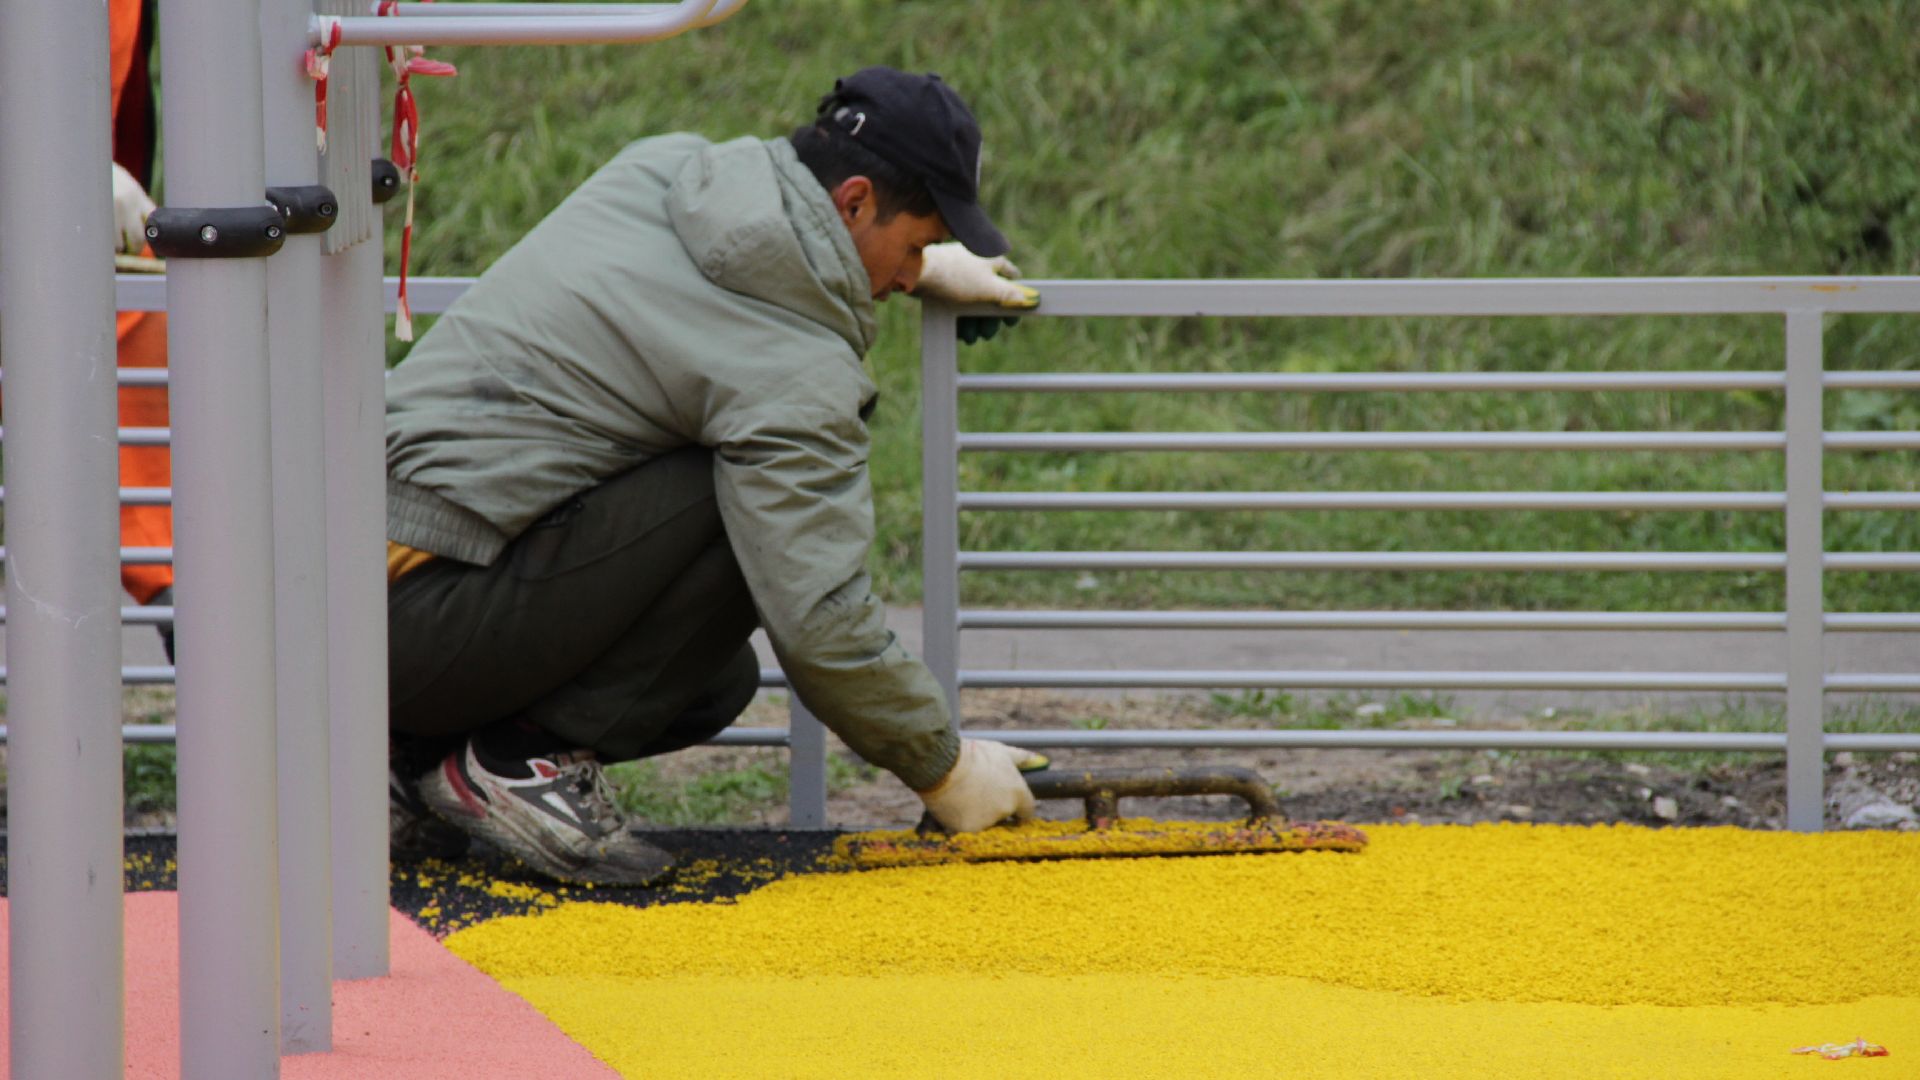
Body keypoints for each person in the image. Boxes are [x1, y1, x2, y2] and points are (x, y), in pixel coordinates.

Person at [383, 67, 1045, 883]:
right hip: (408, 625)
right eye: (916, 246)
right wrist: (944, 767)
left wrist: (900, 269)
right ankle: (513, 762)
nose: (911, 274)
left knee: (703, 682)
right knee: (745, 511)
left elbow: (728, 280)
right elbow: (822, 623)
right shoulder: (790, 369)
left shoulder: (663, 168)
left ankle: (407, 763)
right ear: (855, 202)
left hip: (332, 598)